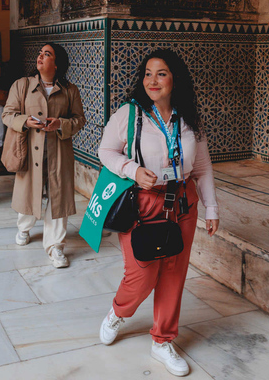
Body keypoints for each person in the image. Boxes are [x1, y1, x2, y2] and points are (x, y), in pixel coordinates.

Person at [97, 48, 220, 377]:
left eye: (161, 73)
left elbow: (203, 168)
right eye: (148, 73)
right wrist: (132, 169)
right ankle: (119, 312)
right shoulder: (130, 114)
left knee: (173, 273)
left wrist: (211, 207)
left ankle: (163, 340)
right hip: (143, 203)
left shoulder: (189, 118)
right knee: (142, 275)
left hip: (182, 204)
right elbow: (105, 150)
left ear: (174, 79)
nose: (153, 80)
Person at [2, 43, 86, 268]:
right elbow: (7, 114)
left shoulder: (71, 90)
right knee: (29, 191)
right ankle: (24, 228)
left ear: (57, 64)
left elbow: (80, 119)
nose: (40, 56)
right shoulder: (22, 85)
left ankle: (56, 246)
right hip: (30, 150)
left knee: (59, 197)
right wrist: (24, 121)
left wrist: (60, 124)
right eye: (40, 53)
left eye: (46, 54)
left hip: (59, 152)